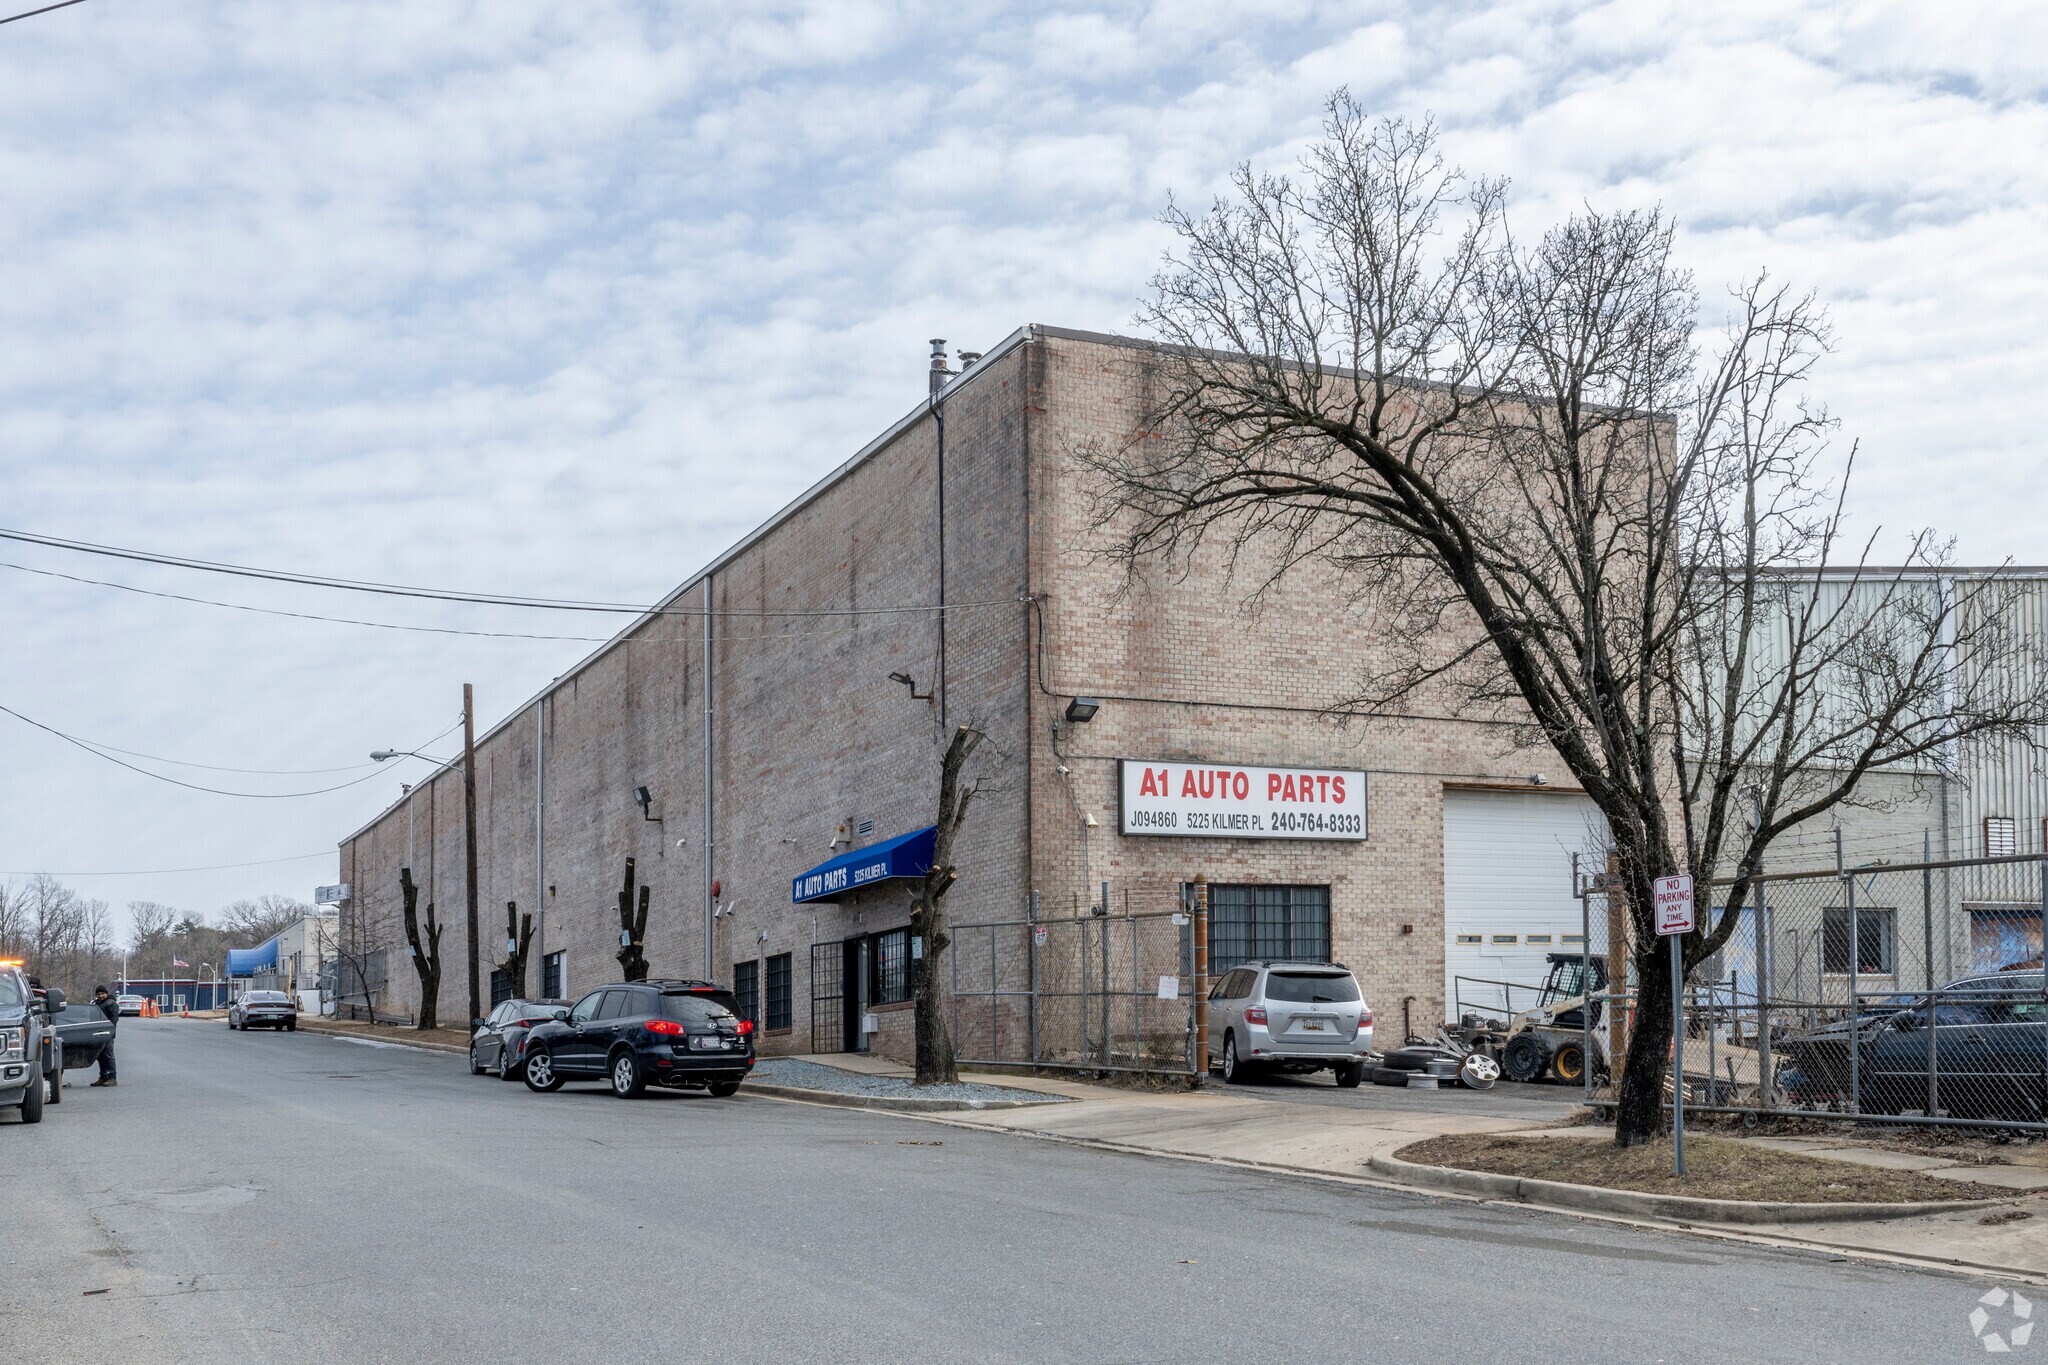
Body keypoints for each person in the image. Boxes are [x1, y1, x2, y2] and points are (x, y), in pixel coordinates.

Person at [91, 985, 118, 1087]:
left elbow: (114, 1019)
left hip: (107, 1033)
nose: (101, 995)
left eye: (102, 993)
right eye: (98, 994)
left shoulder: (111, 1004)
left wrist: (109, 1031)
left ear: (106, 993)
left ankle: (112, 1077)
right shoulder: (96, 1004)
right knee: (100, 1056)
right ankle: (103, 1077)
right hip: (97, 1033)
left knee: (108, 1055)